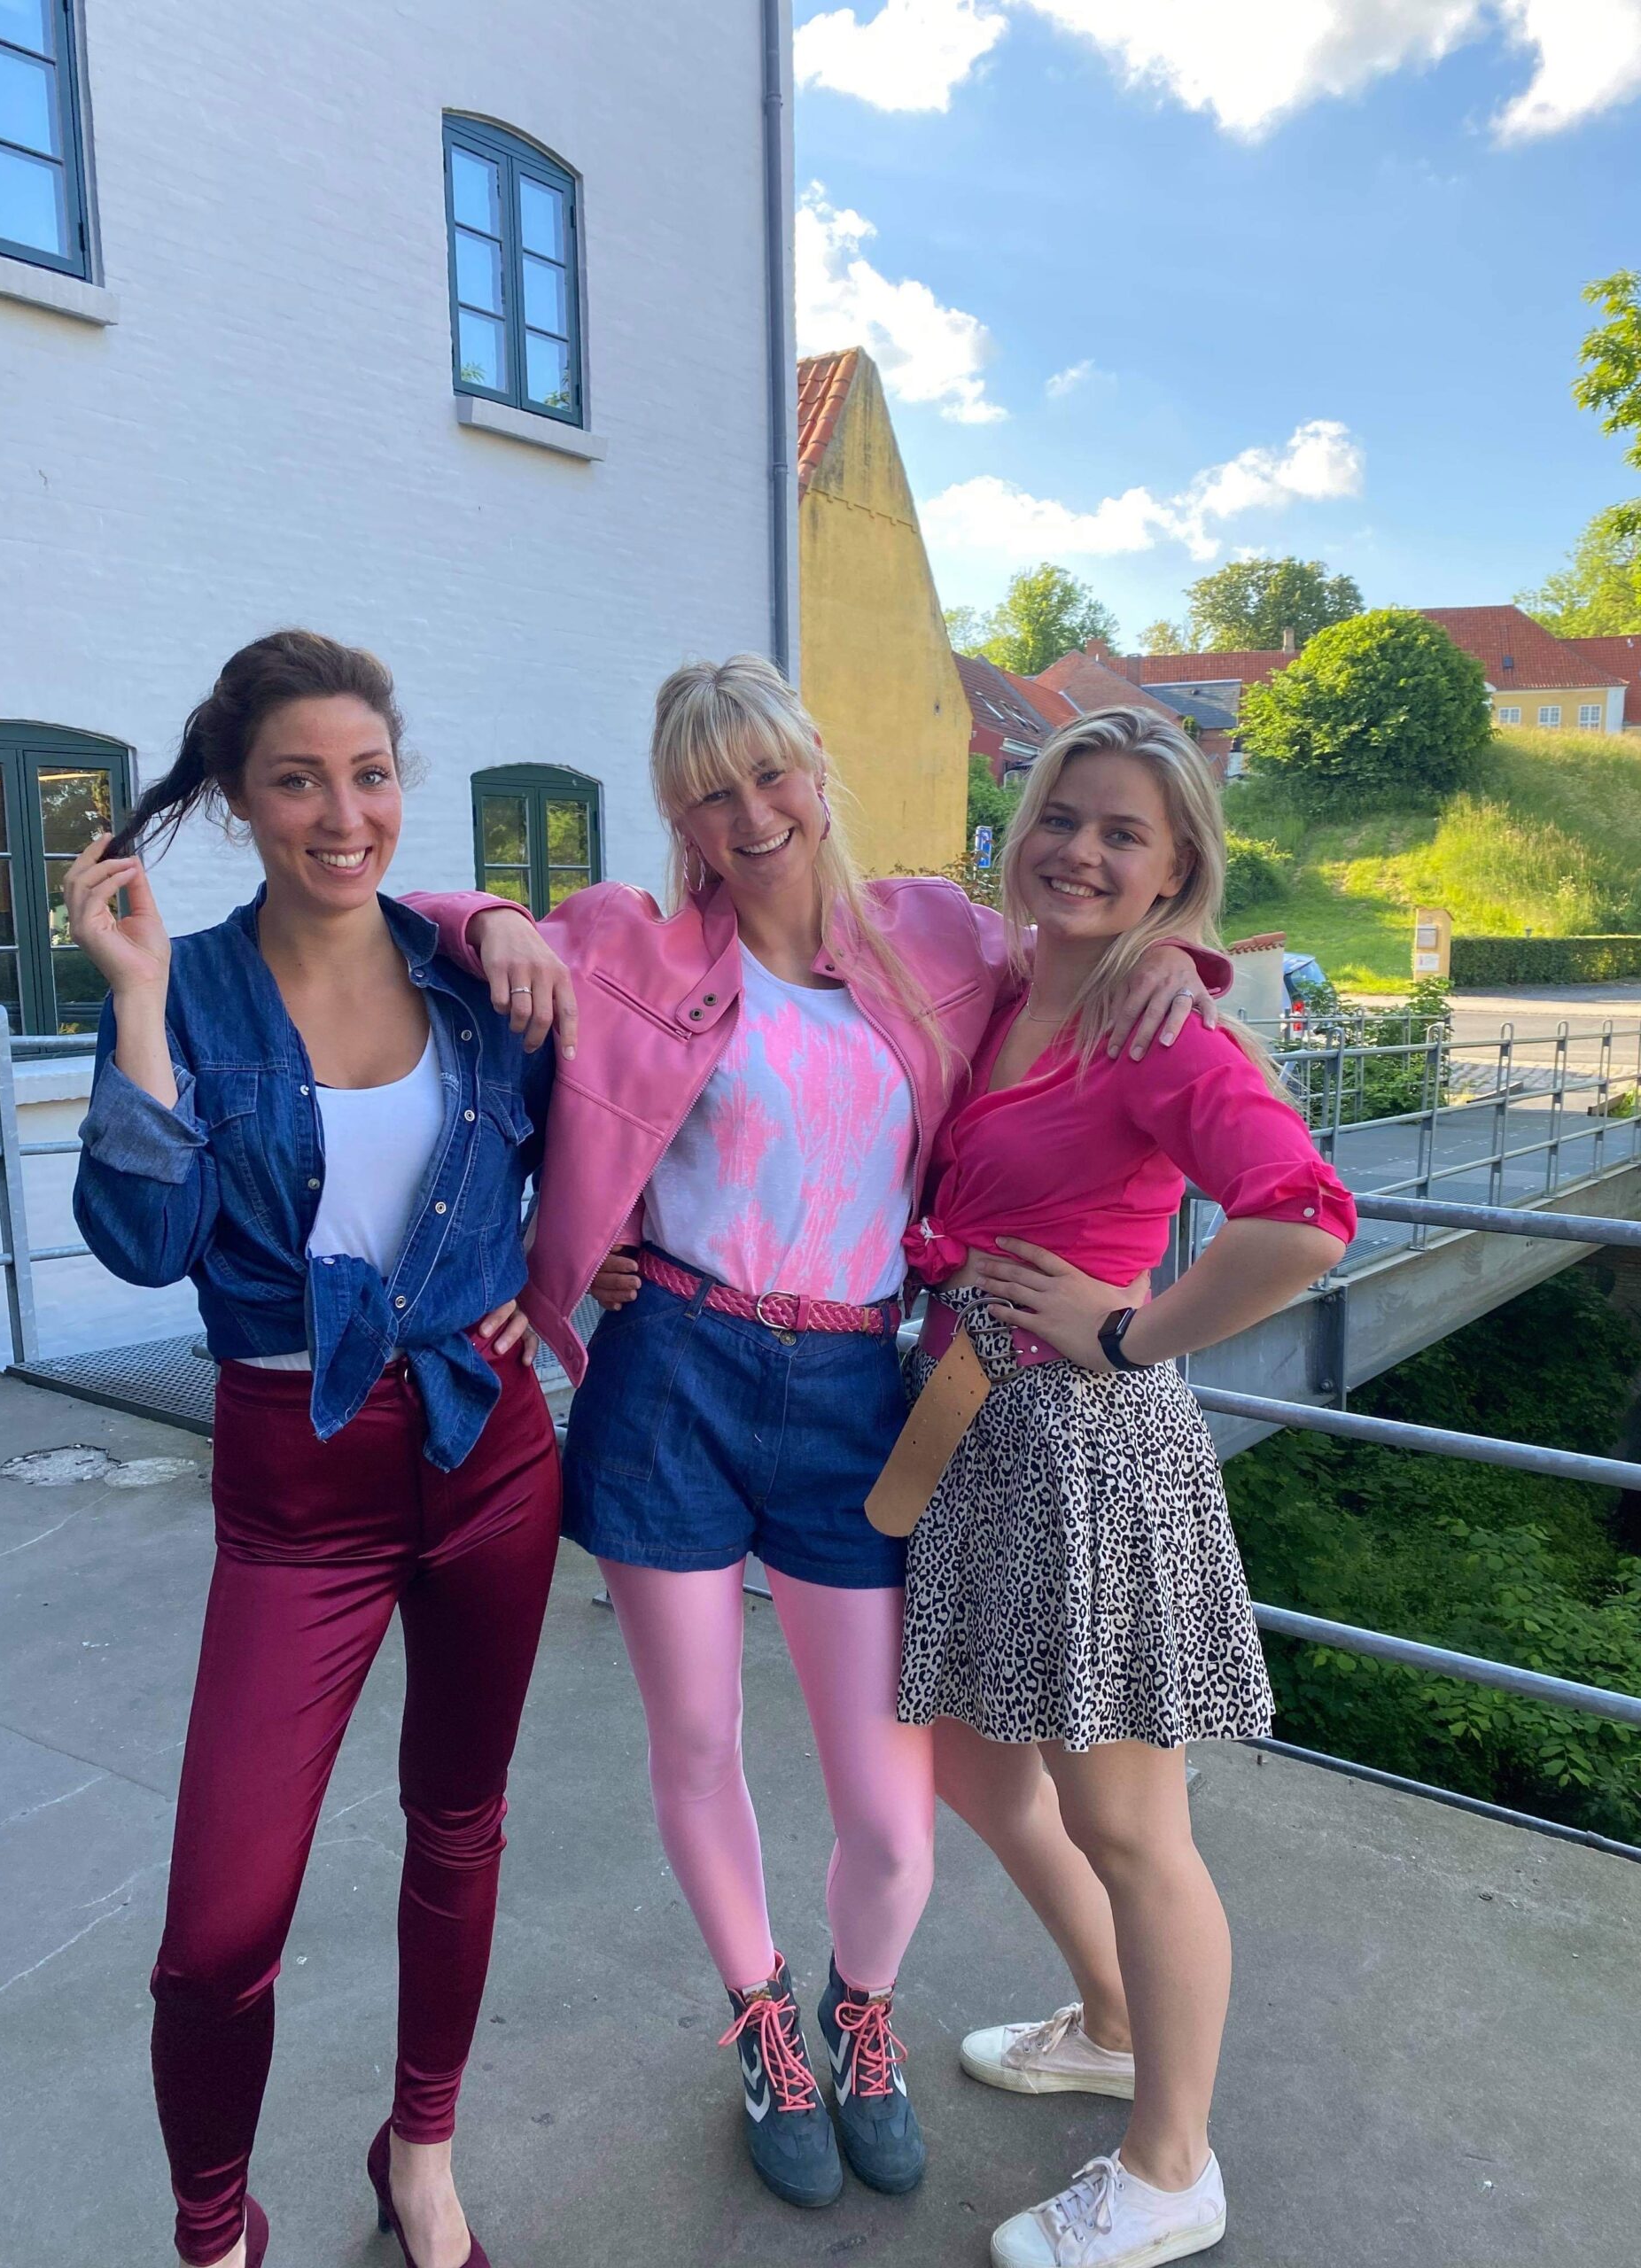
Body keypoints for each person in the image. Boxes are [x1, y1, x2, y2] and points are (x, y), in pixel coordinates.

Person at [408, 656, 1230, 2212]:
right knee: (698, 1738)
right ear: (679, 816)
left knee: (891, 1809)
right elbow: (422, 923)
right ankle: (765, 2023)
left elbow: (1088, 934)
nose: (752, 813)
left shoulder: (935, 937)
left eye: (771, 772)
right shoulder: (632, 943)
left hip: (861, 1390)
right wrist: (494, 917)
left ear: (816, 766)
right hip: (673, 1373)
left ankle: (864, 2010)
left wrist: (1182, 964)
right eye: (709, 793)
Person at [66, 632, 563, 2268]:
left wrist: (564, 1280)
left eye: (371, 775)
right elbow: (146, 1243)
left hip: (490, 1452)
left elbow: (618, 1117)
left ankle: (421, 2154)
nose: (345, 816)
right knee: (218, 1935)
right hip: (296, 1482)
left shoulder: (470, 972)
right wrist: (137, 998)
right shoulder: (192, 987)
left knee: (460, 1826)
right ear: (237, 797)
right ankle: (216, 2235)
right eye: (299, 782)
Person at [892, 705, 1356, 2268]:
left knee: (1129, 1820)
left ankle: (1171, 2169)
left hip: (1086, 1447)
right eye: (1060, 816)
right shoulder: (1003, 986)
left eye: (1123, 834)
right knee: (974, 1767)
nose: (1080, 850)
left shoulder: (1166, 1031)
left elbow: (1302, 1216)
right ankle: (1108, 2022)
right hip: (969, 1433)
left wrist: (1132, 1330)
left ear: (1174, 873)